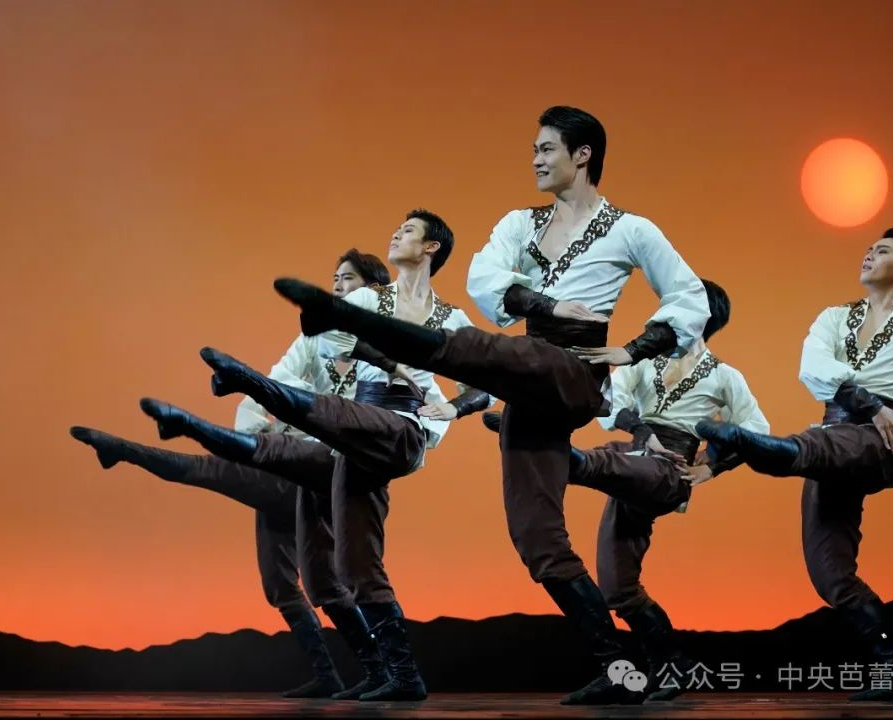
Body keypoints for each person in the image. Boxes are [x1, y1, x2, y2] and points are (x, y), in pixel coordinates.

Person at [272, 106, 709, 705]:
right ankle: (620, 669)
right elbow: (485, 277)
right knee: (537, 540)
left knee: (491, 353)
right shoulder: (519, 224)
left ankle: (353, 321)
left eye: (547, 148)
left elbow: (688, 297)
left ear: (583, 155)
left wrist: (633, 350)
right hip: (528, 374)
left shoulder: (631, 230)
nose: (536, 159)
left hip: (574, 371)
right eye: (534, 149)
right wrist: (547, 306)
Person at [146, 209, 491, 701]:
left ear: (432, 248)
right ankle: (401, 676)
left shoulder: (452, 319)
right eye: (396, 228)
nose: (396, 233)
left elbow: (484, 385)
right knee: (350, 569)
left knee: (335, 415)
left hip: (401, 430)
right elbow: (330, 339)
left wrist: (454, 407)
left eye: (408, 230)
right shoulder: (369, 301)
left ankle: (245, 386)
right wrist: (384, 357)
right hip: (353, 444)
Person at [71, 250, 392, 699]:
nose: (337, 284)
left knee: (214, 473)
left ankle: (127, 450)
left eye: (348, 278)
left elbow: (363, 420)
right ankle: (331, 676)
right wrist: (260, 428)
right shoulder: (312, 342)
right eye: (335, 278)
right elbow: (271, 386)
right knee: (280, 583)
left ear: (374, 290)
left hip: (324, 471)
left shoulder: (384, 350)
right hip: (281, 462)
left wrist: (294, 424)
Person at [697, 228, 893, 701]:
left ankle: (764, 449)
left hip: (879, 441)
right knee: (830, 573)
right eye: (869, 248)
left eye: (882, 251)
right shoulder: (834, 317)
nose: (869, 254)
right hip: (835, 431)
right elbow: (812, 366)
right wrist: (867, 402)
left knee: (813, 448)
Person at [482, 279, 767, 702]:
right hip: (632, 463)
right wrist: (640, 428)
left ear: (700, 318)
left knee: (603, 460)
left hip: (669, 471)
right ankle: (671, 669)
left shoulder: (725, 376)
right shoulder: (643, 364)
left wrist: (712, 467)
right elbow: (610, 402)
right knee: (619, 588)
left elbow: (756, 430)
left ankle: (552, 448)